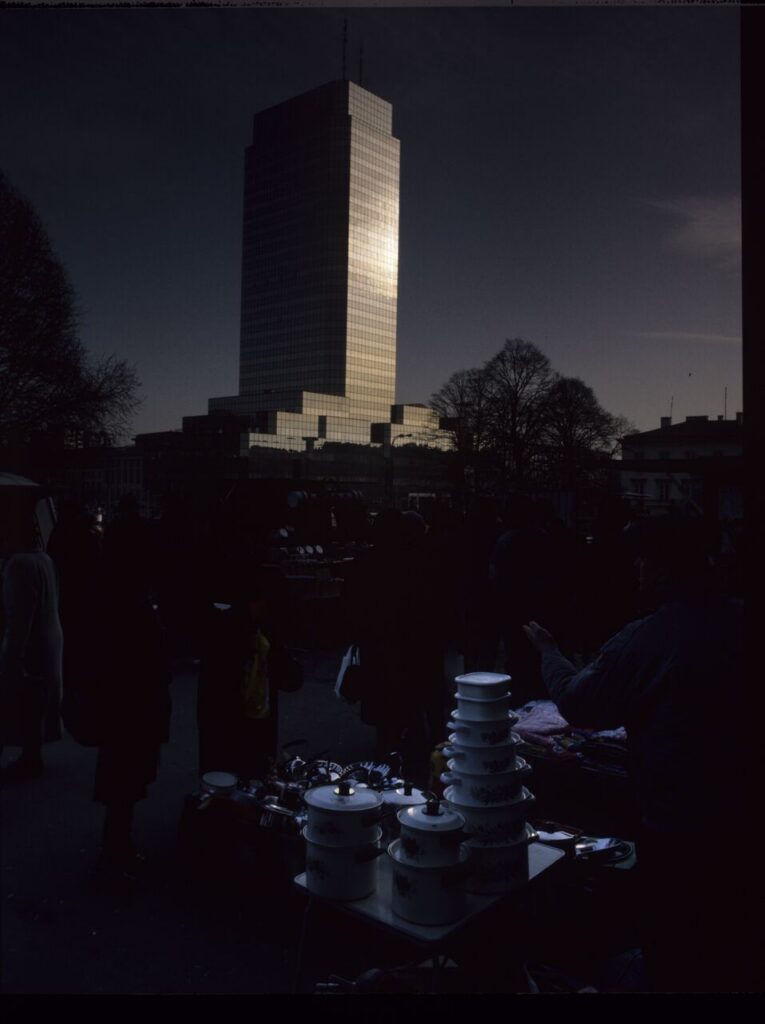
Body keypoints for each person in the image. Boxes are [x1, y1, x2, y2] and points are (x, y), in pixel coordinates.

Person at [523, 514, 754, 992]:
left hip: (676, 820)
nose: (638, 570)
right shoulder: (742, 619)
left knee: (676, 942)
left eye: (644, 561)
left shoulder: (651, 635)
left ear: (665, 570)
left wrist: (549, 651)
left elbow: (580, 704)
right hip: (743, 820)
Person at [197, 560, 302, 781]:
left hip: (242, 724)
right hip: (244, 724)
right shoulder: (251, 633)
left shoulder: (249, 630)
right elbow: (291, 679)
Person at [0, 482, 63, 780]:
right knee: (34, 705)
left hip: (29, 647)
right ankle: (32, 755)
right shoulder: (44, 560)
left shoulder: (18, 565)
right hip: (49, 642)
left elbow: (18, 619)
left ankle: (27, 757)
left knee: (14, 702)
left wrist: (11, 659)